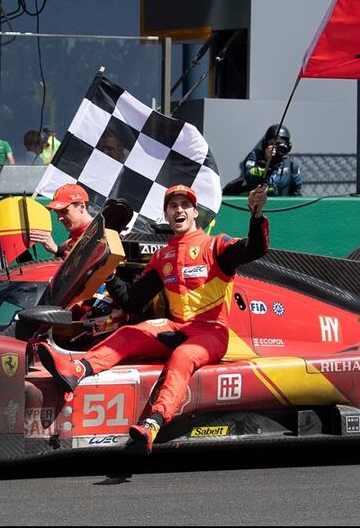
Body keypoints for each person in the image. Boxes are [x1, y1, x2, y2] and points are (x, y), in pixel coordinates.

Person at [37, 183, 269, 453]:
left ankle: (153, 423)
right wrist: (107, 273)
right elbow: (132, 302)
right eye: (173, 206)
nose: (179, 210)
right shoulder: (162, 257)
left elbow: (255, 249)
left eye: (185, 205)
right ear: (167, 215)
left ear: (195, 213)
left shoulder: (216, 246)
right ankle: (78, 369)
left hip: (212, 333)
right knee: (131, 333)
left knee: (182, 357)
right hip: (177, 326)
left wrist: (256, 215)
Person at [31, 183, 93, 258]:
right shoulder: (66, 244)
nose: (59, 218)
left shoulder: (102, 234)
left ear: (82, 206)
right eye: (57, 213)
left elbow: (91, 262)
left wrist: (58, 250)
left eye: (64, 211)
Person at [241, 124, 302, 196]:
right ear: (265, 145)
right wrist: (267, 162)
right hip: (256, 202)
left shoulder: (292, 164)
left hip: (281, 205)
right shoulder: (255, 156)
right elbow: (249, 178)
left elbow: (297, 193)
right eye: (273, 144)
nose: (277, 149)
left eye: (281, 146)